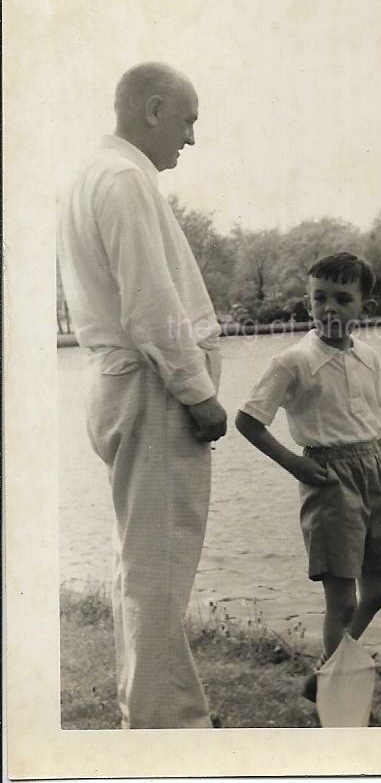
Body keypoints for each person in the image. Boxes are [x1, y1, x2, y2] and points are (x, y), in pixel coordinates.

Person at [57, 62, 227, 728]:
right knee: (158, 570)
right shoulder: (124, 179)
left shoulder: (95, 175)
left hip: (124, 385)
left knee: (145, 565)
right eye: (187, 120)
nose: (190, 137)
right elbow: (151, 305)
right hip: (153, 392)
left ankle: (158, 710)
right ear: (153, 109)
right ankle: (164, 728)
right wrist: (200, 392)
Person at [235, 252, 381, 701]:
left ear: (363, 306)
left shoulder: (369, 356)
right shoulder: (292, 361)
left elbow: (376, 410)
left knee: (378, 592)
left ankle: (325, 674)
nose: (329, 308)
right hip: (331, 478)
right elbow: (248, 421)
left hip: (379, 473)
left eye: (342, 298)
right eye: (320, 298)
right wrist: (295, 463)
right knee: (343, 601)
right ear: (307, 302)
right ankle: (337, 694)